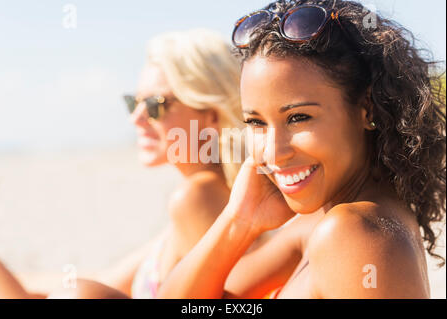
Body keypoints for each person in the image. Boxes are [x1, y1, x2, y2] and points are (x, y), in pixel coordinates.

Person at [157, 0, 446, 299]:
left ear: (366, 108)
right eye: (256, 122)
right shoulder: (322, 223)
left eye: (298, 118)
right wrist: (239, 219)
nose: (273, 153)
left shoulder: (353, 234)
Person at [47, 28, 252, 299]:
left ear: (212, 116)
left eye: (156, 105)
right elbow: (106, 281)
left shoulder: (197, 198)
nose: (137, 118)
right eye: (134, 102)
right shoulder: (203, 198)